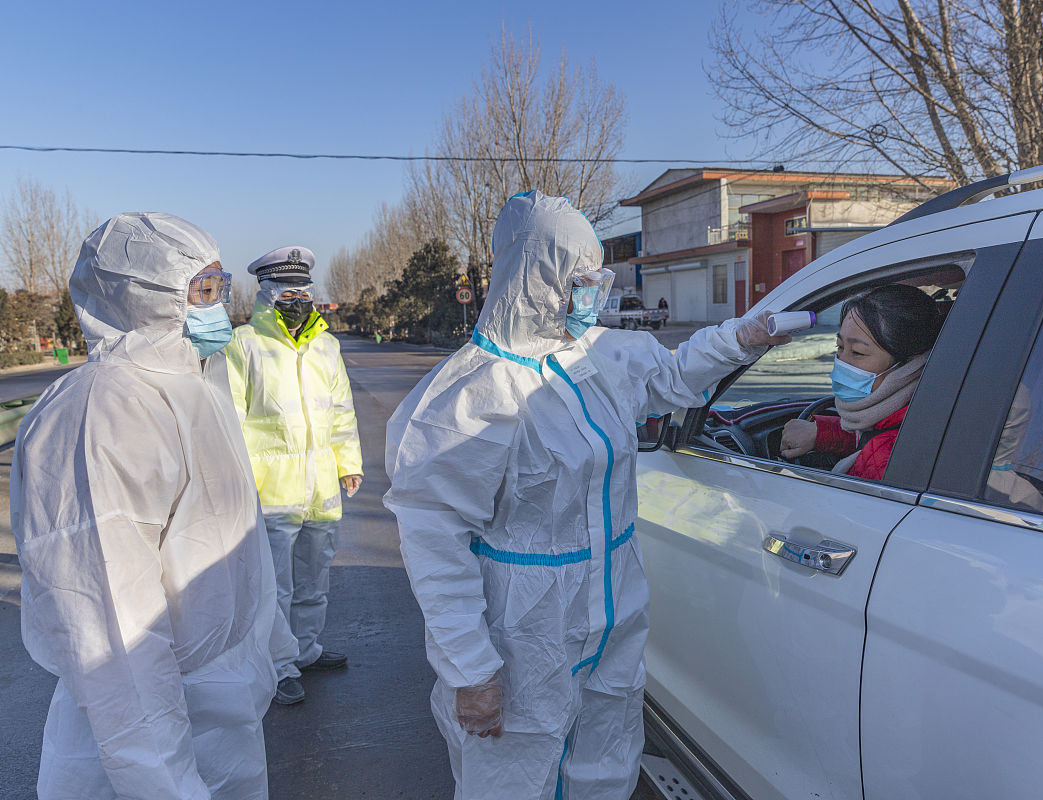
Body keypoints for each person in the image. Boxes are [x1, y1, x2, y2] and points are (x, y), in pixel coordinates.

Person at [383, 191, 788, 800]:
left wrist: (740, 337)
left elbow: (672, 378)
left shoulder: (598, 354)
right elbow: (434, 538)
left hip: (613, 612)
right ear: (535, 279)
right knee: (512, 775)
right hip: (523, 632)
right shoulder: (471, 396)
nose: (591, 294)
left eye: (596, 278)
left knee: (607, 763)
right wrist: (470, 668)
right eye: (579, 281)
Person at [11, 213, 285, 799]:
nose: (215, 307)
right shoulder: (102, 411)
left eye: (219, 287)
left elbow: (236, 543)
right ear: (143, 301)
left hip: (222, 710)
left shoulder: (194, 385)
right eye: (200, 291)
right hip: (140, 748)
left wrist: (271, 647)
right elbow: (111, 631)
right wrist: (167, 784)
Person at [226, 246, 363, 706]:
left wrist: (349, 462)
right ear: (266, 293)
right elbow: (231, 417)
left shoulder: (327, 345)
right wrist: (236, 480)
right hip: (271, 489)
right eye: (288, 291)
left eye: (304, 291)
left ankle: (306, 651)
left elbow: (340, 409)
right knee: (276, 586)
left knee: (314, 577)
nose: (298, 299)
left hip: (321, 485)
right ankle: (278, 665)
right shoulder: (244, 344)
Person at [779, 283, 942, 479]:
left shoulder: (889, 458)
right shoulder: (930, 412)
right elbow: (874, 438)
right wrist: (822, 434)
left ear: (910, 363)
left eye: (857, 352)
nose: (842, 363)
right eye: (839, 347)